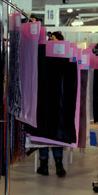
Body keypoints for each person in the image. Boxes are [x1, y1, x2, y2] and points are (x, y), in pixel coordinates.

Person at [36, 30, 67, 178]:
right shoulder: (65, 58)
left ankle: (44, 165)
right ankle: (59, 166)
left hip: (44, 100)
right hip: (59, 102)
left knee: (44, 131)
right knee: (57, 133)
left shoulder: (43, 57)